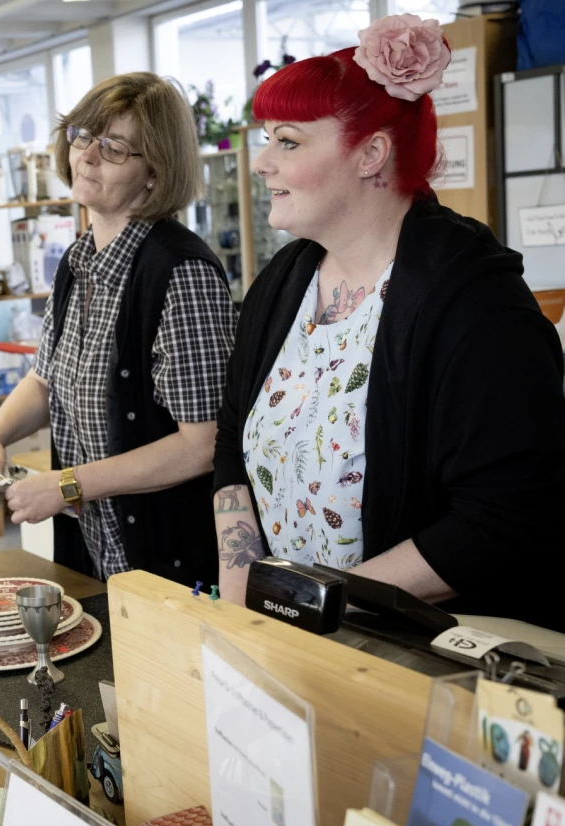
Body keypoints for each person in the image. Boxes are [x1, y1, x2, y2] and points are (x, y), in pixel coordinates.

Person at [212, 15, 565, 630]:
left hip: (420, 654)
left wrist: (318, 605)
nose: (261, 163)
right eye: (266, 139)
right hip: (290, 637)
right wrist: (245, 598)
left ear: (371, 153)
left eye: (287, 142)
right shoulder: (281, 284)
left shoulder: (475, 303)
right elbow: (230, 446)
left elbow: (505, 514)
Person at [0, 72, 238, 585]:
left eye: (114, 147)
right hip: (94, 556)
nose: (87, 155)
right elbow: (45, 380)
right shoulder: (78, 262)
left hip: (169, 569)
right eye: (83, 135)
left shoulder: (180, 273)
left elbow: (203, 444)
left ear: (155, 171)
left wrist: (67, 486)